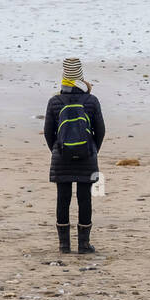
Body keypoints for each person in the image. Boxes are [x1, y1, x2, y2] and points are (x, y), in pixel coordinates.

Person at [44, 57, 105, 254]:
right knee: (84, 198)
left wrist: (57, 149)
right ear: (81, 79)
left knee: (63, 198)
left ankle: (64, 245)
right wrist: (92, 150)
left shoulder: (54, 102)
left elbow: (48, 132)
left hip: (61, 157)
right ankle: (84, 244)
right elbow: (101, 131)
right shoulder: (91, 101)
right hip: (87, 156)